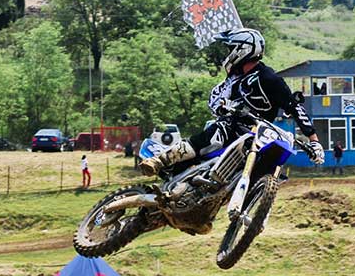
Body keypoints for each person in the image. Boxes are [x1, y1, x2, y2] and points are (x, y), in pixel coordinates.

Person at [139, 28, 324, 176]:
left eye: (230, 49)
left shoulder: (269, 78)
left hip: (256, 134)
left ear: (242, 50)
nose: (227, 54)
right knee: (217, 131)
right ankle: (159, 160)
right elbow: (214, 101)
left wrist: (314, 142)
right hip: (231, 127)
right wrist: (222, 107)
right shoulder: (234, 79)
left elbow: (294, 107)